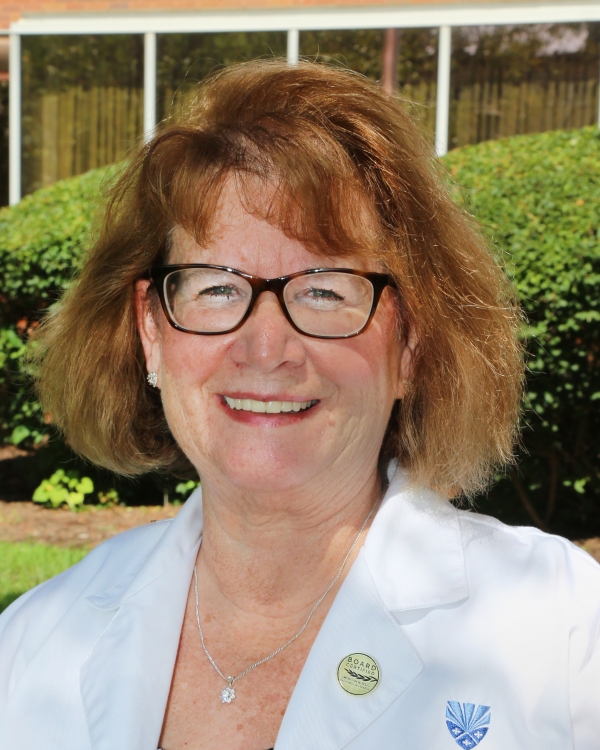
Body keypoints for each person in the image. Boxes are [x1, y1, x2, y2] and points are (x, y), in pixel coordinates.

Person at [0, 60, 598, 750]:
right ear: (151, 333)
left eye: (325, 289)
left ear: (409, 345)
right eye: (216, 287)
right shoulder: (33, 645)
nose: (265, 347)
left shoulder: (562, 634)